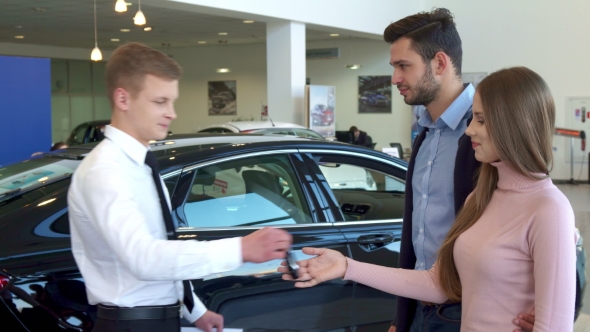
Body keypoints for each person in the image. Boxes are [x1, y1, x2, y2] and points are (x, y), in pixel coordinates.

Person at [281, 66, 577, 331]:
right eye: (473, 117)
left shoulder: (549, 209)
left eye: (482, 120)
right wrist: (347, 267)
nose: (470, 129)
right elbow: (438, 283)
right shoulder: (480, 198)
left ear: (516, 126)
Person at [68, 42, 292, 332]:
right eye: (160, 102)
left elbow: (163, 247)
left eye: (172, 102)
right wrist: (240, 249)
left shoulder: (140, 163)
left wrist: (194, 310)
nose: (172, 113)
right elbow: (144, 258)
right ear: (123, 99)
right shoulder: (105, 171)